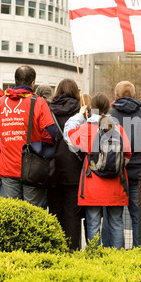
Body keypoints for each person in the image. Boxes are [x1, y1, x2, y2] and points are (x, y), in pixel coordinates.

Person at [64, 92, 132, 249]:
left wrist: (80, 116)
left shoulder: (86, 128)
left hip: (92, 183)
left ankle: (95, 258)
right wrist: (114, 166)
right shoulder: (118, 128)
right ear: (108, 108)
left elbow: (68, 139)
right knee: (116, 224)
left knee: (93, 223)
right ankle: (118, 259)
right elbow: (127, 153)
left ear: (91, 108)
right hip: (116, 184)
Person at [0, 65, 57, 208]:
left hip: (8, 167)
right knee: (33, 214)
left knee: (14, 215)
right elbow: (50, 135)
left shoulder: (1, 103)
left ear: (15, 81)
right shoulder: (39, 103)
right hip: (33, 168)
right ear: (32, 83)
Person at [107, 80, 141, 247]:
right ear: (134, 96)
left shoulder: (107, 116)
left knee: (113, 218)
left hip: (114, 173)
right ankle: (138, 251)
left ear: (116, 96)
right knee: (138, 216)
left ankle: (114, 253)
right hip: (140, 172)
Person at [47, 78, 85, 250]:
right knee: (72, 214)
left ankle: (56, 248)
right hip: (74, 169)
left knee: (55, 212)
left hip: (52, 168)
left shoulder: (48, 110)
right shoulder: (82, 111)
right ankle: (72, 249)